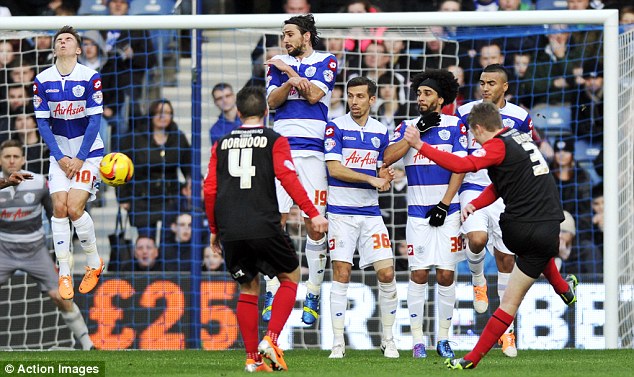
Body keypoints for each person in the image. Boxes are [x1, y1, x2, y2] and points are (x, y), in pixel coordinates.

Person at [400, 101, 577, 370]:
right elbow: (503, 183)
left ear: (479, 128)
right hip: (551, 227)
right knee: (537, 255)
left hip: (519, 229)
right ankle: (564, 289)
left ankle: (471, 358)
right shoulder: (518, 137)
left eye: (473, 134)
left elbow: (461, 165)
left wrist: (420, 145)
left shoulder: (495, 146)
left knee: (508, 303)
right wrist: (477, 203)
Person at [204, 86, 328, 372]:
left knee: (248, 288)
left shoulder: (220, 143)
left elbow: (210, 189)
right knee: (290, 275)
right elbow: (288, 177)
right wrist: (312, 213)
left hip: (231, 227)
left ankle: (252, 359)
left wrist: (214, 229)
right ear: (266, 112)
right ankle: (271, 340)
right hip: (264, 223)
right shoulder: (275, 139)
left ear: (238, 112)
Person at [455, 64, 539, 357]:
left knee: (506, 259)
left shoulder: (520, 117)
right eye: (482, 82)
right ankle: (477, 279)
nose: (485, 87)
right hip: (473, 186)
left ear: (505, 87)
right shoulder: (464, 112)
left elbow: (529, 155)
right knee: (476, 239)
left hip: (506, 193)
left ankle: (507, 332)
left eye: (491, 83)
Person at [383, 69, 467, 359]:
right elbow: (388, 157)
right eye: (419, 93)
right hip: (417, 213)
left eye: (427, 93)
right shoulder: (407, 126)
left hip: (449, 209)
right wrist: (416, 130)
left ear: (441, 99)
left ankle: (444, 339)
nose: (421, 97)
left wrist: (445, 204)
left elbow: (460, 167)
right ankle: (418, 340)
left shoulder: (456, 126)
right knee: (418, 274)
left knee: (445, 275)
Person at [265, 13, 337, 325]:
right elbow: (272, 102)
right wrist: (288, 77)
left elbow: (314, 95)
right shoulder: (277, 61)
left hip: (313, 153)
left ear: (306, 36)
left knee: (316, 224)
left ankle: (313, 290)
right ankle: (272, 288)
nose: (285, 40)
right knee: (274, 222)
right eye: (283, 35)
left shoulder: (327, 60)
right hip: (280, 149)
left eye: (290, 34)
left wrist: (288, 72)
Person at [324, 76, 398, 359]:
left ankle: (388, 340)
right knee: (342, 273)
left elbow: (380, 173)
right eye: (350, 96)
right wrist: (373, 180)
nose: (353, 102)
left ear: (371, 100)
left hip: (370, 214)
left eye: (359, 97)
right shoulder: (336, 127)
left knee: (387, 272)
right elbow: (335, 169)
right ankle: (338, 343)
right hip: (341, 213)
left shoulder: (381, 131)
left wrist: (384, 177)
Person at [0, 139, 94, 350]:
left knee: (60, 295)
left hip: (34, 250)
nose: (12, 161)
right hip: (3, 249)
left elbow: (56, 213)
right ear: (0, 160)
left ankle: (88, 344)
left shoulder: (38, 182)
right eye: (7, 157)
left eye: (16, 156)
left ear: (23, 159)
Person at [33, 25, 105, 300]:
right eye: (59, 40)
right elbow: (42, 122)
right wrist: (61, 157)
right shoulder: (42, 80)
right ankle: (65, 271)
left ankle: (94, 261)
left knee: (75, 208)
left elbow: (95, 120)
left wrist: (80, 158)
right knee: (59, 208)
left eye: (68, 40)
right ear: (55, 49)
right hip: (60, 155)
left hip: (89, 154)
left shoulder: (90, 77)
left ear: (78, 49)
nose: (63, 43)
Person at [119, 98, 192, 239]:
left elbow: (189, 167)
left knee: (168, 246)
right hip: (142, 200)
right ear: (151, 114)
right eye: (159, 112)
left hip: (170, 200)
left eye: (168, 113)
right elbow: (121, 168)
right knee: (147, 243)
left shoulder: (178, 137)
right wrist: (123, 197)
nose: (163, 116)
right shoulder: (135, 138)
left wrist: (190, 183)